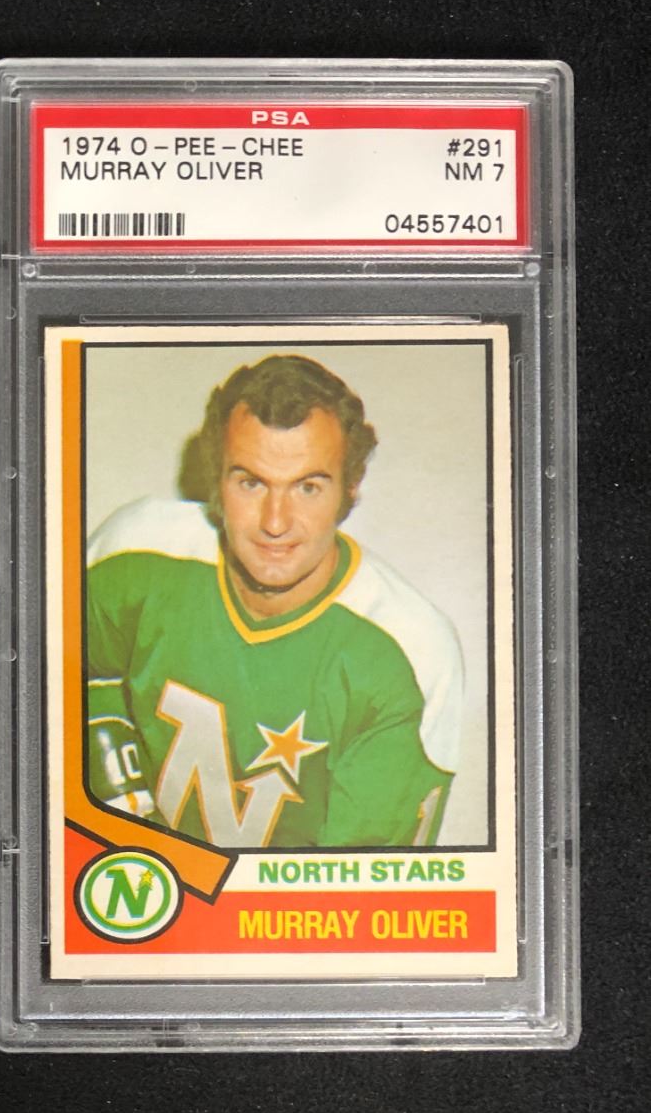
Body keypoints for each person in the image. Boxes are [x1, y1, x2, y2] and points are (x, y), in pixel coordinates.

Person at [85, 354, 463, 851]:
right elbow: (55, 692)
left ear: (350, 488)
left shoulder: (408, 654)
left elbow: (360, 884)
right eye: (251, 482)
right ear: (215, 479)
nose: (275, 522)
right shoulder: (133, 557)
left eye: (308, 487)